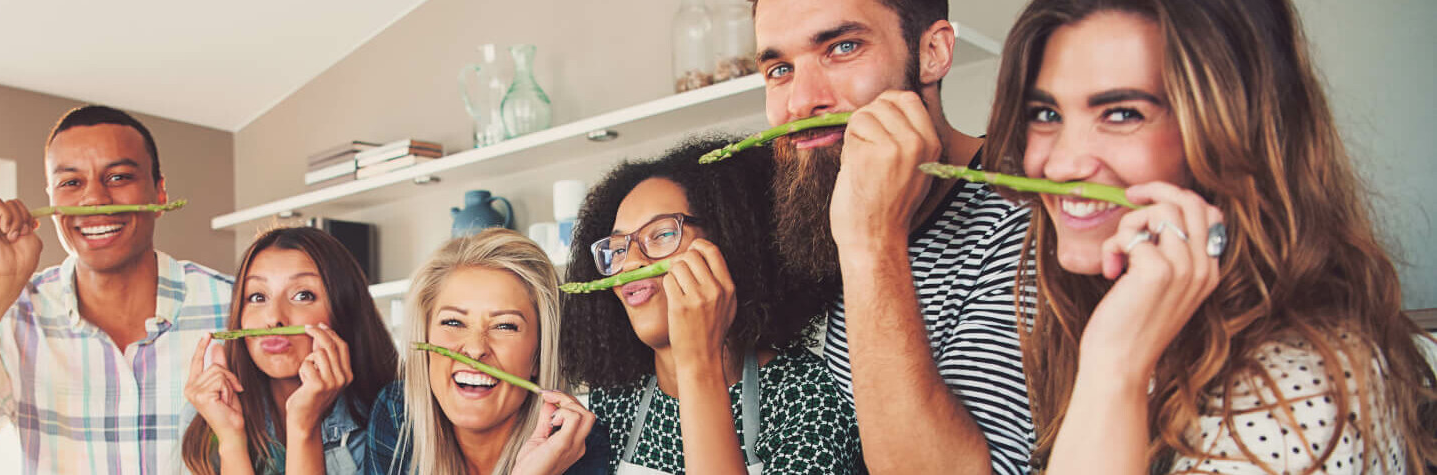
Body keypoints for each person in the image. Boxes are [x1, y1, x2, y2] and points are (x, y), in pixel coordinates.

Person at [979, 0, 1437, 472]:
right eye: (1046, 114)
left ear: (1235, 131)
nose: (1059, 164)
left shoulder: (1298, 388)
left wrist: (1114, 368)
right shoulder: (1139, 324)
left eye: (1121, 113)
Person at [753, 0, 1034, 472]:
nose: (799, 102)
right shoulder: (820, 210)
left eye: (842, 47)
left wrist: (872, 242)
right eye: (780, 69)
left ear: (933, 52)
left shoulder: (1032, 218)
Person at [0, 105, 235, 473]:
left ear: (160, 194)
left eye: (119, 177)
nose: (94, 199)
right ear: (51, 199)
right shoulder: (19, 317)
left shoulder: (236, 306)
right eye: (71, 183)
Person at [560, 137, 856, 474]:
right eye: (617, 248)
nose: (629, 263)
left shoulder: (806, 395)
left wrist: (698, 361)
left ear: (731, 240)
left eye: (662, 234)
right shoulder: (615, 396)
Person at [366, 229, 611, 475]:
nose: (475, 349)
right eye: (453, 322)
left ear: (538, 354)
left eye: (505, 326)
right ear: (425, 336)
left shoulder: (581, 451)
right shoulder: (398, 416)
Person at [180, 227, 399, 474]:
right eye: (257, 297)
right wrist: (231, 442)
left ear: (344, 312)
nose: (274, 318)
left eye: (303, 295)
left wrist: (303, 427)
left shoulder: (391, 420)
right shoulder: (209, 414)